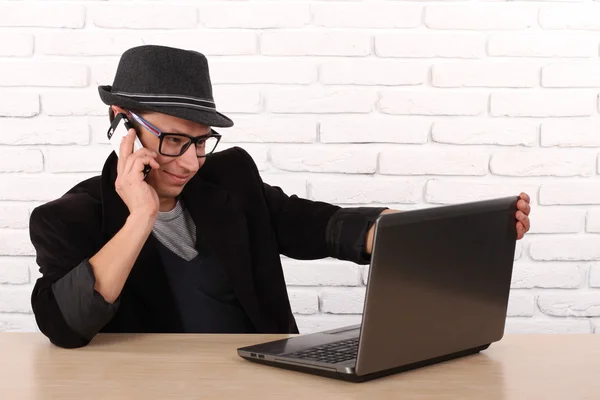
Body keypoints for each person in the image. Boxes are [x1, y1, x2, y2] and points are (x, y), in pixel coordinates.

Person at [28, 45, 531, 349]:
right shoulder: (65, 221)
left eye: (201, 141)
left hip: (259, 382)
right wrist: (138, 218)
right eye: (173, 140)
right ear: (122, 122)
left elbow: (316, 225)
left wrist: (427, 236)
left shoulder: (232, 180)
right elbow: (66, 327)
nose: (189, 161)